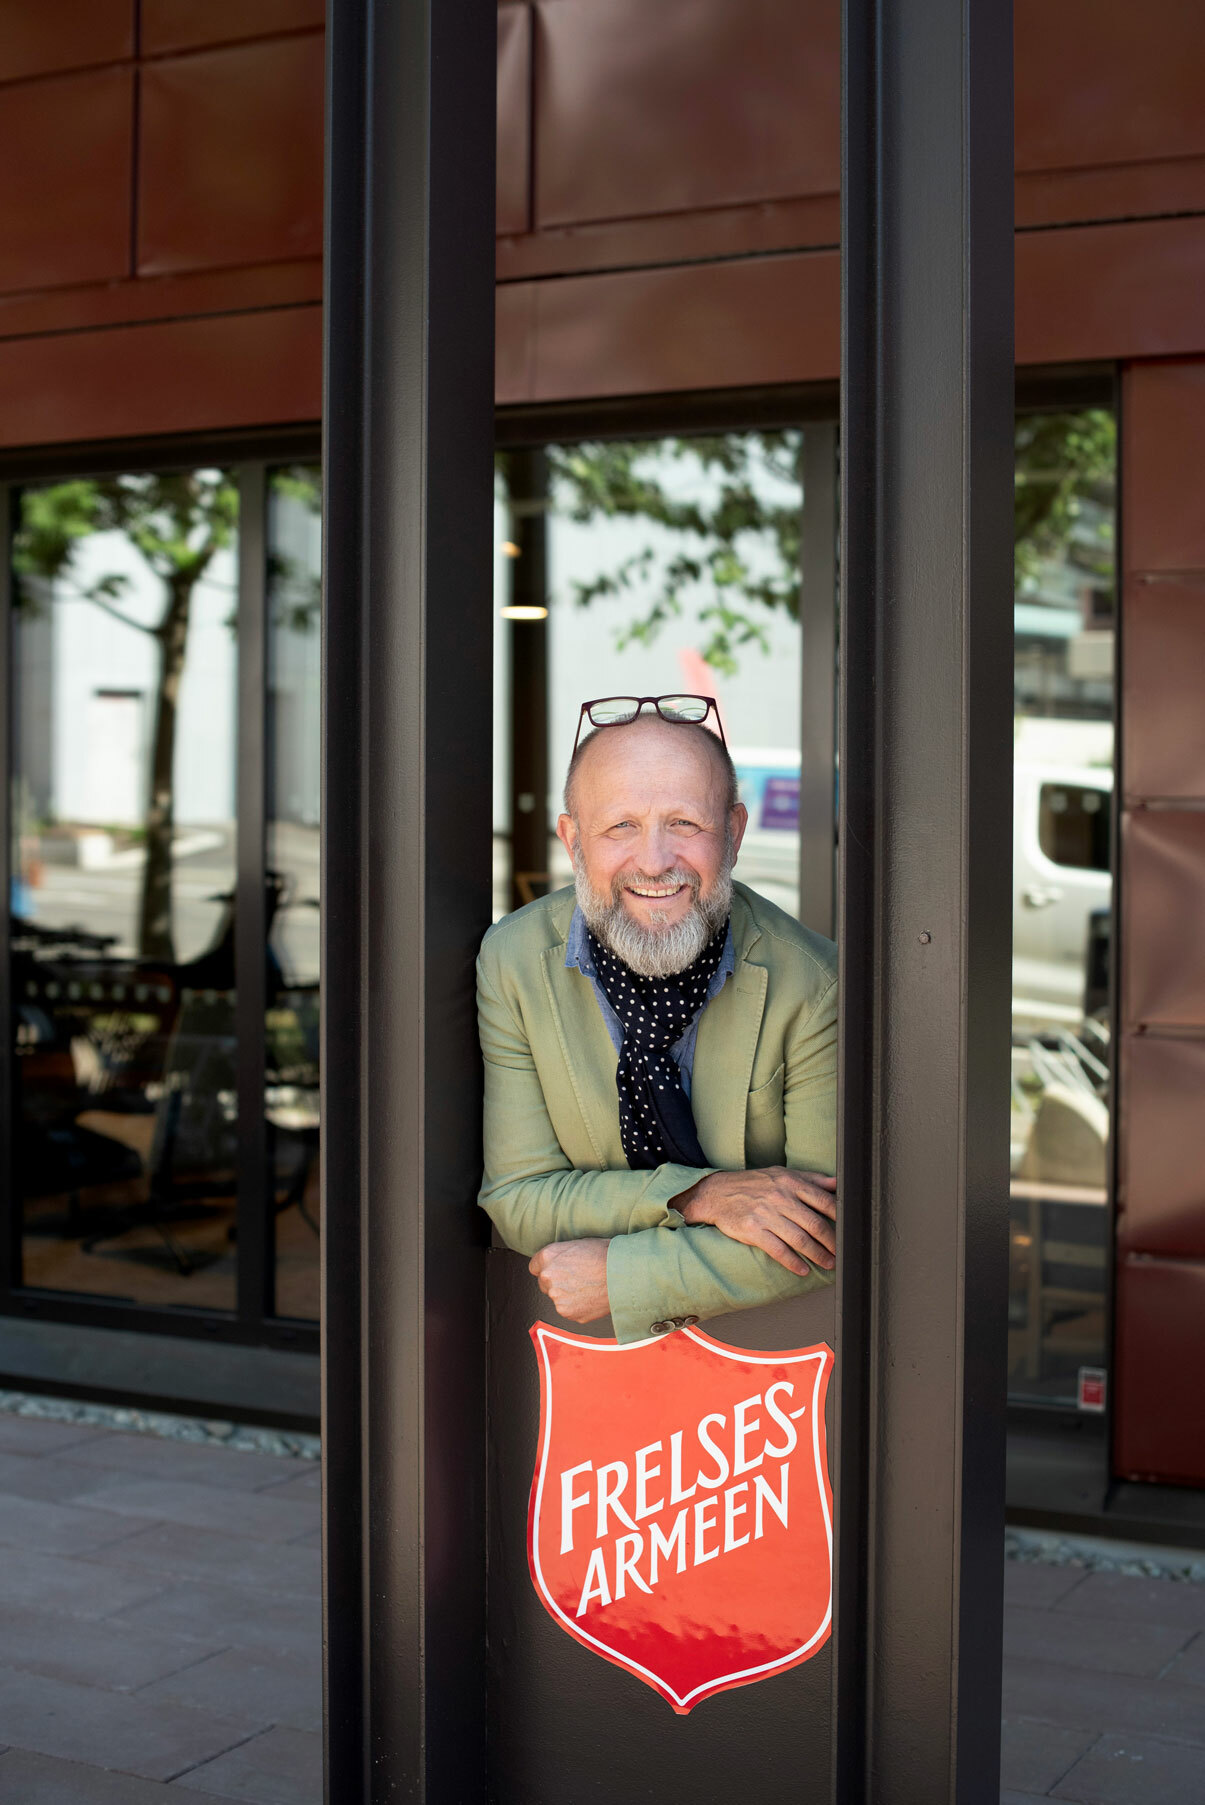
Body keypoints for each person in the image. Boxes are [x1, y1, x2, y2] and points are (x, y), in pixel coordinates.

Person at [476, 695, 838, 1343]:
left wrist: (623, 1274)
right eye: (619, 826)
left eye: (683, 823)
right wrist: (699, 1194)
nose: (653, 859)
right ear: (572, 838)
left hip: (773, 1361)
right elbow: (520, 1199)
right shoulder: (512, 959)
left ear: (732, 832)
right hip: (578, 1355)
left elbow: (821, 1231)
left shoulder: (812, 984)